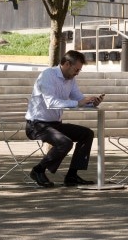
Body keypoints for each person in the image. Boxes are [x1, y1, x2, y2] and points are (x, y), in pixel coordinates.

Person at [25, 50, 104, 187]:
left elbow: (79, 98)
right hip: (37, 124)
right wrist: (78, 103)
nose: (77, 73)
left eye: (79, 70)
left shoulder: (71, 80)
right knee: (65, 142)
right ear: (67, 64)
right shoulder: (47, 76)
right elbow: (51, 102)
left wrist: (91, 103)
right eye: (76, 69)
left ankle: (72, 175)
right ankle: (38, 170)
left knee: (87, 134)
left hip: (55, 124)